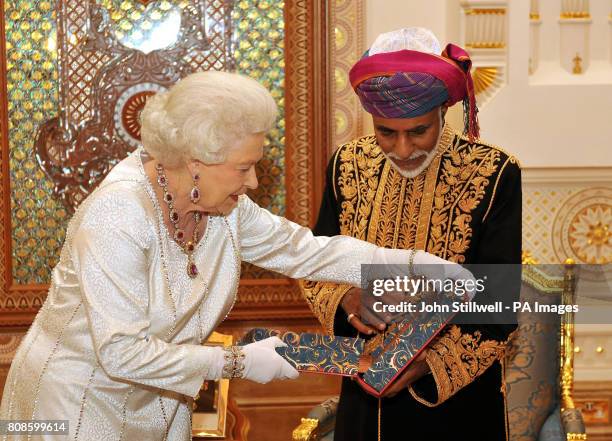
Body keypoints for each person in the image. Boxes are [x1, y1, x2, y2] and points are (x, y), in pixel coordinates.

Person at [0, 71, 471, 440]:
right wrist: (239, 364)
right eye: (243, 169)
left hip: (161, 401)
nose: (251, 184)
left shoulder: (223, 207)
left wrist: (411, 264)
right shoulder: (117, 217)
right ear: (195, 163)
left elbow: (303, 250)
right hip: (77, 404)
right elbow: (121, 354)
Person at [301, 27, 522, 440]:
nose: (402, 149)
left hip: (456, 405)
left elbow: (498, 304)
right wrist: (347, 298)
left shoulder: (494, 173)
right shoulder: (347, 164)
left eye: (418, 131)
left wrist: (424, 363)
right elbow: (315, 264)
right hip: (364, 389)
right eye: (387, 132)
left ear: (443, 112)